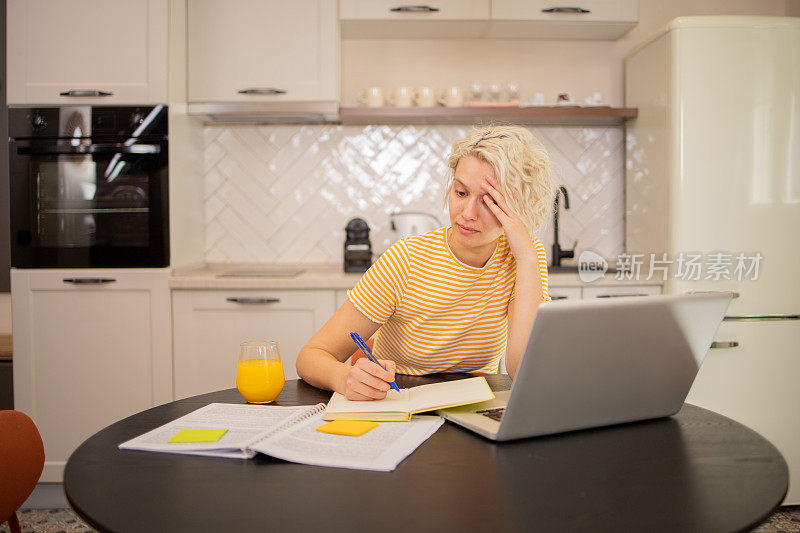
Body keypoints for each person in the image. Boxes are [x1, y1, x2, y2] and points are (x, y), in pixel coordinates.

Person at [296, 125, 555, 400]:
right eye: (461, 193)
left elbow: (525, 371)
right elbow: (311, 356)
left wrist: (527, 258)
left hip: (472, 406)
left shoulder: (523, 257)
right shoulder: (405, 260)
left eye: (489, 201)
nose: (467, 214)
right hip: (396, 401)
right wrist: (345, 378)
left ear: (519, 207)